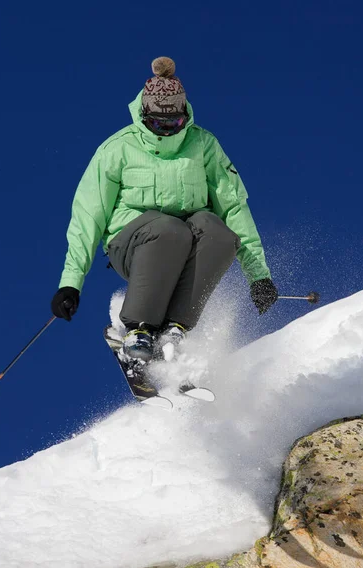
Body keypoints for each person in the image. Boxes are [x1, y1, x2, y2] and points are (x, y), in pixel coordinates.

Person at [51, 57, 278, 361]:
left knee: (220, 234)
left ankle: (175, 329)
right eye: (158, 124)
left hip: (184, 245)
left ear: (186, 115)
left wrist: (258, 276)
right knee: (170, 230)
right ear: (144, 115)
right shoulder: (118, 149)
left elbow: (234, 207)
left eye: (175, 124)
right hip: (133, 246)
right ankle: (136, 329)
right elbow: (87, 215)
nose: (167, 132)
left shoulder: (204, 145)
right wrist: (71, 283)